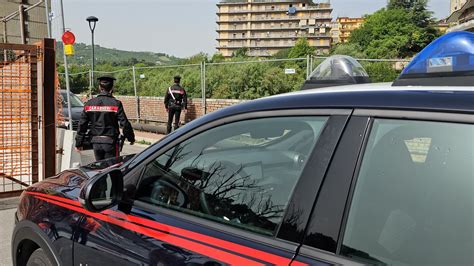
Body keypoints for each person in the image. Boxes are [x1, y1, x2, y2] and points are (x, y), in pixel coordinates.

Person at [75, 74, 135, 161]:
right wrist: (131, 138)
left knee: (100, 169)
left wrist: (79, 143)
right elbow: (124, 123)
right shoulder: (116, 104)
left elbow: (82, 124)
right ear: (112, 88)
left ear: (100, 87)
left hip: (96, 142)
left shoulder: (89, 104)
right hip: (110, 142)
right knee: (112, 169)